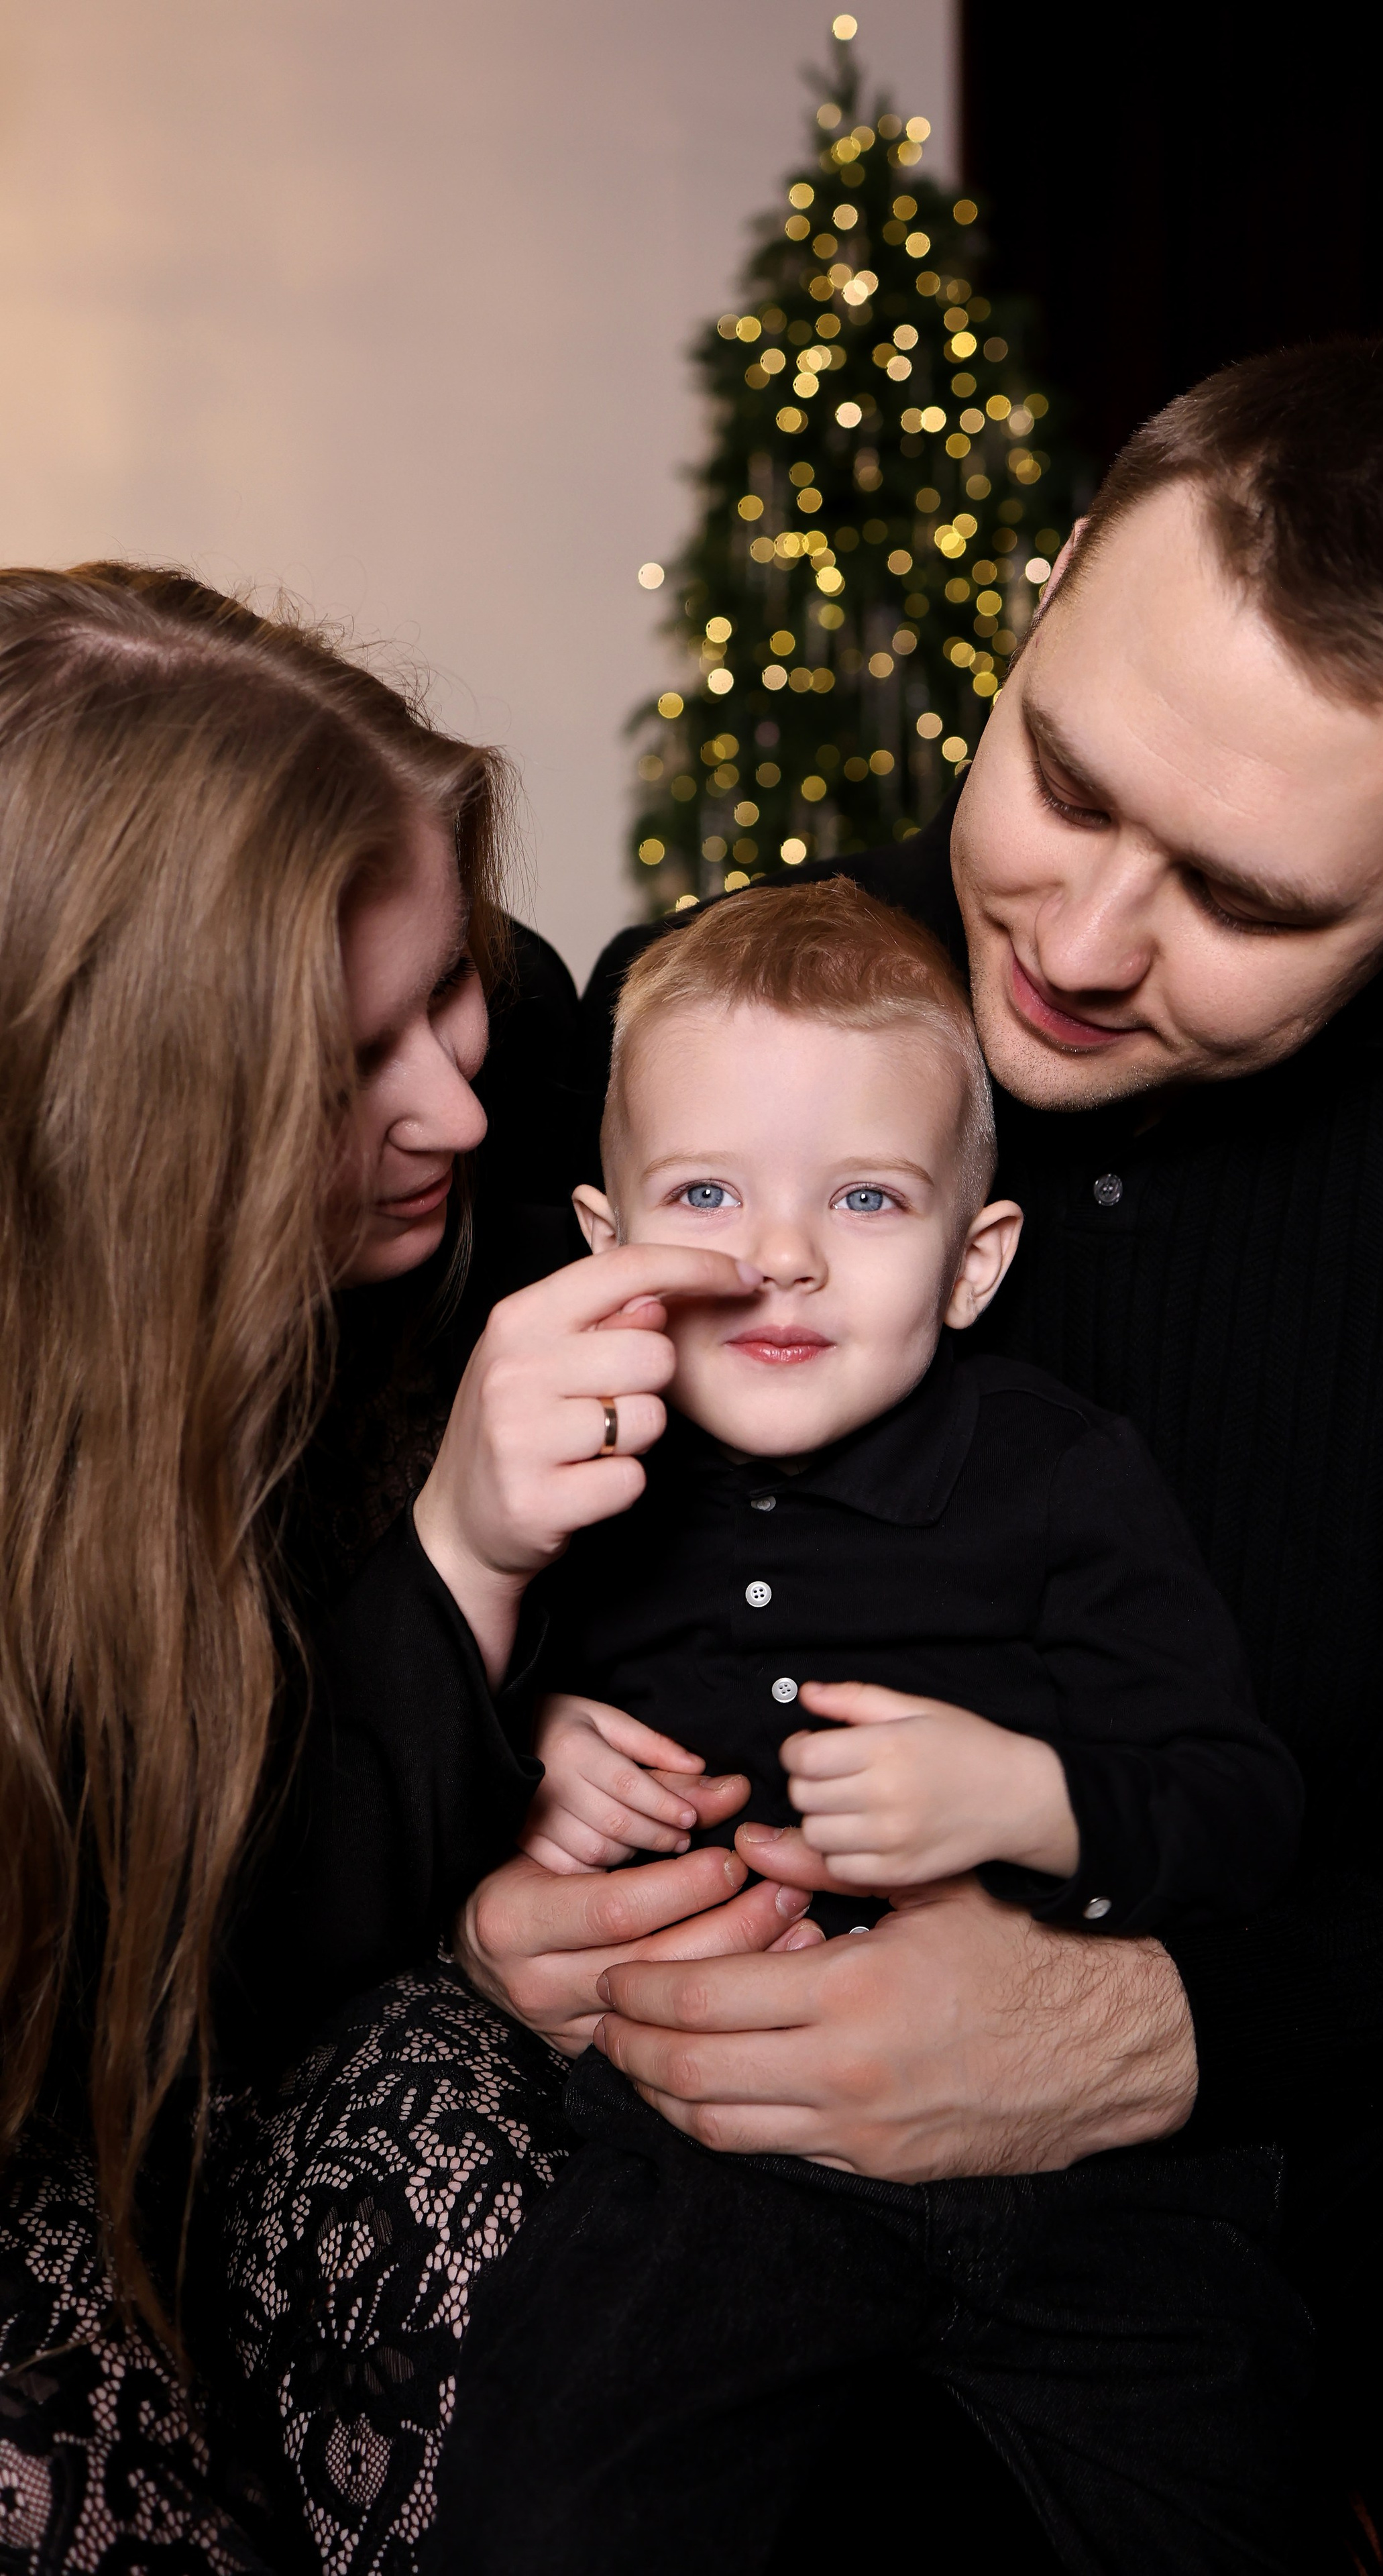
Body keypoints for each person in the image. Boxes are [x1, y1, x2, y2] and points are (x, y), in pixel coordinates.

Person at [419, 341, 1383, 2567]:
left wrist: (1152, 2029)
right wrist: (501, 1856)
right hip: (754, 2137)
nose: (1082, 946)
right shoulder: (723, 1025)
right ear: (1036, 605)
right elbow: (453, 1574)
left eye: (1255, 900)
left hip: (1373, 2111)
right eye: (1066, 778)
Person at [0, 564, 805, 2574]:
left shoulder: (498, 1079)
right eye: (352, 1059)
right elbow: (130, 2012)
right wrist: (457, 1554)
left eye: (455, 986)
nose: (458, 1098)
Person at [443, 873, 1305, 2573]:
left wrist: (1025, 1796)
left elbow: (1238, 1813)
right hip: (710, 2175)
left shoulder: (1063, 1479)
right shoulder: (573, 1481)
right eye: (707, 1192)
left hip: (1081, 2189)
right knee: (547, 2495)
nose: (780, 1255)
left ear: (973, 1260)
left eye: (863, 1196)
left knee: (1229, 2492)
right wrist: (529, 1751)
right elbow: (412, 1755)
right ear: (607, 1243)